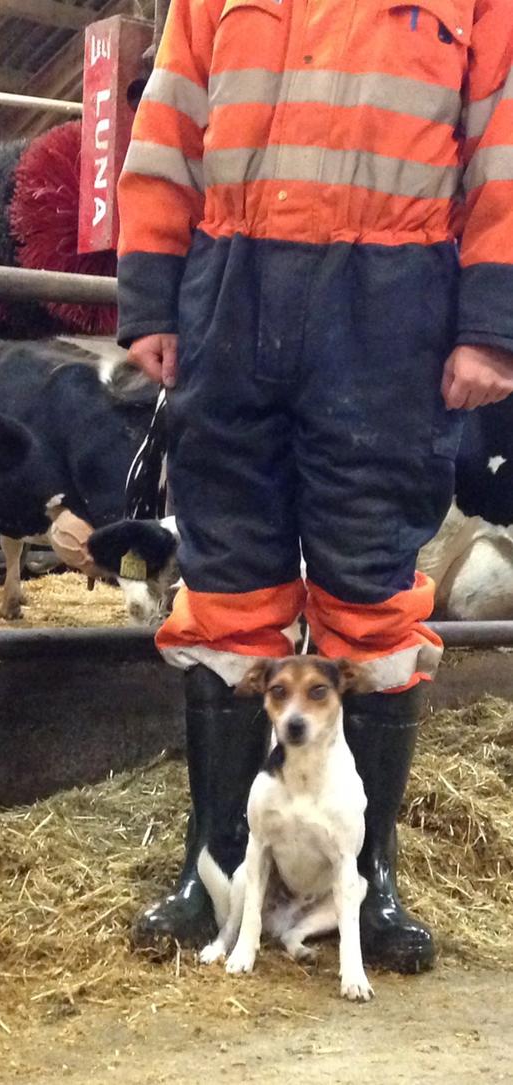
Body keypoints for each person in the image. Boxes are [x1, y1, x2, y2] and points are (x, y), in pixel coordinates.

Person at [115, 0, 513, 973]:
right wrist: (152, 293)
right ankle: (213, 865)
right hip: (230, 291)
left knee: (370, 592)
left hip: (391, 308)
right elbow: (168, 129)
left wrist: (491, 323)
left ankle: (366, 878)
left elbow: (503, 152)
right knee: (226, 587)